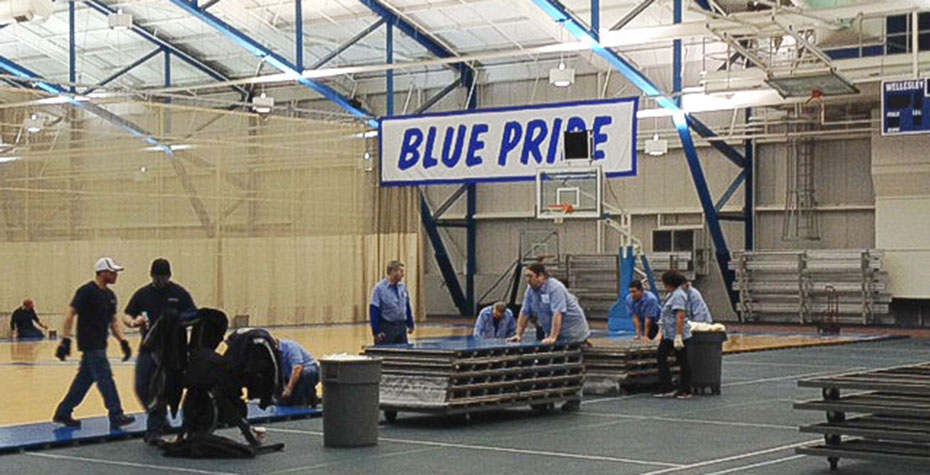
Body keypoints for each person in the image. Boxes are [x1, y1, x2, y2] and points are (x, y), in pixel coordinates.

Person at [53, 257, 135, 428]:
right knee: (105, 377)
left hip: (100, 343)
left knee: (84, 380)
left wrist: (123, 341)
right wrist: (65, 340)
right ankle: (116, 413)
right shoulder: (86, 291)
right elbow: (70, 313)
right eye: (113, 272)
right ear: (103, 272)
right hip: (90, 344)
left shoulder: (110, 296)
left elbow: (113, 320)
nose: (115, 275)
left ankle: (63, 412)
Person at [123, 258, 196, 445]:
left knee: (160, 389)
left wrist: (176, 319)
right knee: (141, 386)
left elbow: (193, 313)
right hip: (148, 347)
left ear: (169, 276)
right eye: (157, 277)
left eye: (163, 277)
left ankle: (154, 429)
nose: (160, 280)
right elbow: (127, 314)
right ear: (152, 275)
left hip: (170, 352)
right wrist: (133, 322)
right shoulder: (142, 294)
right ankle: (160, 419)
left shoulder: (179, 293)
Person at [508, 263, 590, 345]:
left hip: (572, 333)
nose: (527, 280)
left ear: (540, 276)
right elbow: (524, 312)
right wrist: (518, 335)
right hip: (554, 333)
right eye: (526, 276)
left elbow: (558, 313)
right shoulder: (530, 290)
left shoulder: (555, 288)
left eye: (530, 276)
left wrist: (553, 336)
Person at [654, 270, 693, 400]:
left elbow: (680, 315)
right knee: (661, 356)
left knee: (683, 360)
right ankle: (667, 387)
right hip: (668, 334)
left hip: (677, 334)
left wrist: (678, 335)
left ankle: (686, 390)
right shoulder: (671, 295)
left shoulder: (678, 296)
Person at [370, 260, 415, 345]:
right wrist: (376, 331)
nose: (403, 274)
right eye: (401, 271)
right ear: (393, 272)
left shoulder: (403, 287)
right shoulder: (379, 289)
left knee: (403, 353)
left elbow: (407, 307)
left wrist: (410, 323)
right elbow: (374, 310)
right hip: (387, 327)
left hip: (401, 327)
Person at [276, 339, 320, 407]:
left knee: (305, 375)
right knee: (282, 402)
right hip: (290, 375)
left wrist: (289, 389)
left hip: (308, 371)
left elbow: (297, 368)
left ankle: (308, 400)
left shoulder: (290, 346)